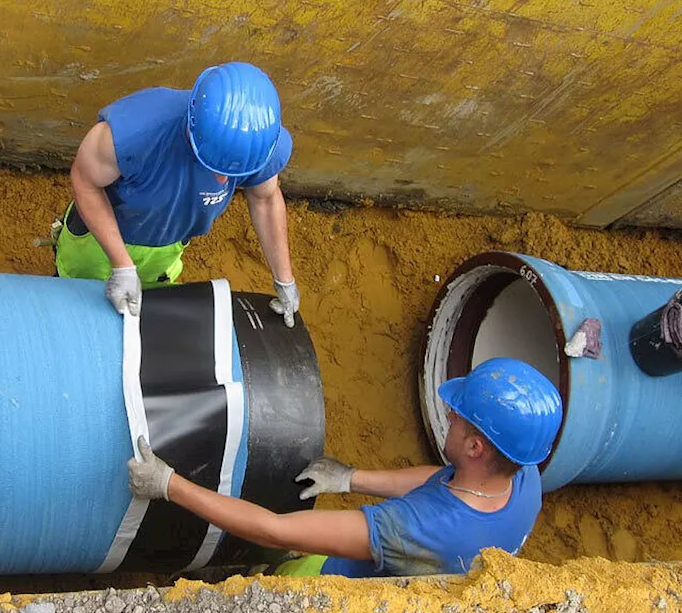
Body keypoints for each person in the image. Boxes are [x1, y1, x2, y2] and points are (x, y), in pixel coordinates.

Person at [125, 358, 564, 577]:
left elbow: (273, 529)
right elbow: (440, 480)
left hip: (342, 591)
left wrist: (171, 485)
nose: (449, 414)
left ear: (475, 445)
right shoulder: (523, 477)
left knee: (283, 583)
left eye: (458, 416)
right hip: (418, 566)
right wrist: (350, 478)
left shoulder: (416, 527)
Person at [54, 61, 301, 325]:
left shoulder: (258, 145)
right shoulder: (134, 133)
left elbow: (264, 199)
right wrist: (121, 264)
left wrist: (284, 278)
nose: (221, 180)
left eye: (233, 173)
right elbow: (85, 181)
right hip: (97, 241)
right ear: (192, 130)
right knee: (73, 308)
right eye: (211, 165)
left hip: (167, 247)